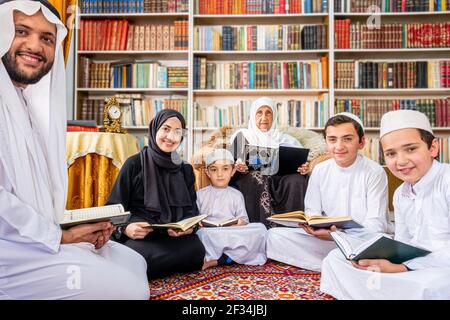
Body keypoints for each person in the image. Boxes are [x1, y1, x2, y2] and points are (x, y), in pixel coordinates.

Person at [0, 0, 149, 299]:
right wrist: (60, 236)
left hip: (35, 237)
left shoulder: (24, 103)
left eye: (47, 38)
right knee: (128, 290)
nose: (35, 46)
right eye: (21, 31)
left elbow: (34, 195)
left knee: (134, 261)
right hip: (10, 249)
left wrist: (78, 226)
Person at [320, 110, 450, 299]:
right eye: (391, 153)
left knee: (428, 285)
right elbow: (404, 242)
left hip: (439, 268)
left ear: (433, 147)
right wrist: (389, 260)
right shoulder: (400, 194)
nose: (401, 161)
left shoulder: (447, 181)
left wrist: (403, 267)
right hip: (413, 265)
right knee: (335, 259)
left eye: (411, 149)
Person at [266, 113, 390, 271]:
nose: (339, 146)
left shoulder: (375, 172)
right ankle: (341, 264)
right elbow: (312, 211)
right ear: (326, 142)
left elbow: (376, 225)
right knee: (274, 235)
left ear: (361, 142)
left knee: (381, 240)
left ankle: (335, 263)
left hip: (360, 238)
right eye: (332, 139)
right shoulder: (320, 169)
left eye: (347, 139)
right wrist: (316, 228)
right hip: (326, 238)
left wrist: (338, 235)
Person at [107, 109, 206, 279]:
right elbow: (113, 208)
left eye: (177, 132)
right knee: (139, 254)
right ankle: (146, 264)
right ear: (154, 130)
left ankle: (142, 268)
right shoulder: (134, 164)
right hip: (141, 238)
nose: (171, 137)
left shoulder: (185, 169)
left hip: (173, 238)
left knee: (197, 250)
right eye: (166, 129)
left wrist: (189, 228)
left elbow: (192, 211)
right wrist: (126, 228)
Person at [229, 97, 308, 226]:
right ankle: (260, 226)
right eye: (259, 112)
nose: (264, 117)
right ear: (253, 116)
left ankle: (292, 226)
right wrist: (238, 166)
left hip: (280, 179)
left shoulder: (287, 140)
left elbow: (298, 163)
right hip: (250, 178)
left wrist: (303, 169)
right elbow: (230, 162)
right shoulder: (243, 136)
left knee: (296, 180)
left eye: (268, 112)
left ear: (274, 116)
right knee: (257, 176)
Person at [196, 148, 267, 270]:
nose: (220, 174)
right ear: (207, 172)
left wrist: (237, 223)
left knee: (260, 229)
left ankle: (219, 260)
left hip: (231, 231)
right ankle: (224, 259)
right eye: (214, 169)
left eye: (225, 169)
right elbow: (196, 219)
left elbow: (244, 219)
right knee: (201, 234)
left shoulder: (236, 194)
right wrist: (200, 224)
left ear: (233, 171)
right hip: (211, 233)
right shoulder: (200, 194)